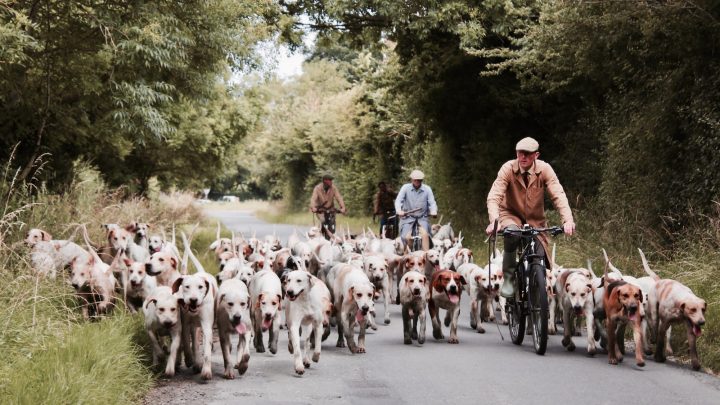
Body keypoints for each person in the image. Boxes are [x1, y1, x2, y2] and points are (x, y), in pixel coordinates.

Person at [485, 137, 575, 298]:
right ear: (516, 153)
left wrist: (567, 220)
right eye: (520, 153)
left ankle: (537, 292)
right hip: (509, 214)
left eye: (527, 154)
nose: (523, 157)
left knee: (538, 257)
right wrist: (495, 221)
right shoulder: (507, 169)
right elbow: (494, 196)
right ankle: (509, 277)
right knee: (512, 234)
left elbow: (558, 194)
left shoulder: (544, 169)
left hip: (535, 219)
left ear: (536, 155)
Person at [395, 170, 438, 250]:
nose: (417, 181)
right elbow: (398, 200)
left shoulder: (427, 189)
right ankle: (407, 255)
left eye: (419, 180)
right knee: (406, 237)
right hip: (408, 218)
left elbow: (432, 202)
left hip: (422, 218)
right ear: (411, 179)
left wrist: (433, 211)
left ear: (422, 180)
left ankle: (426, 256)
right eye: (415, 180)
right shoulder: (405, 188)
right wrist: (399, 210)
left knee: (425, 235)